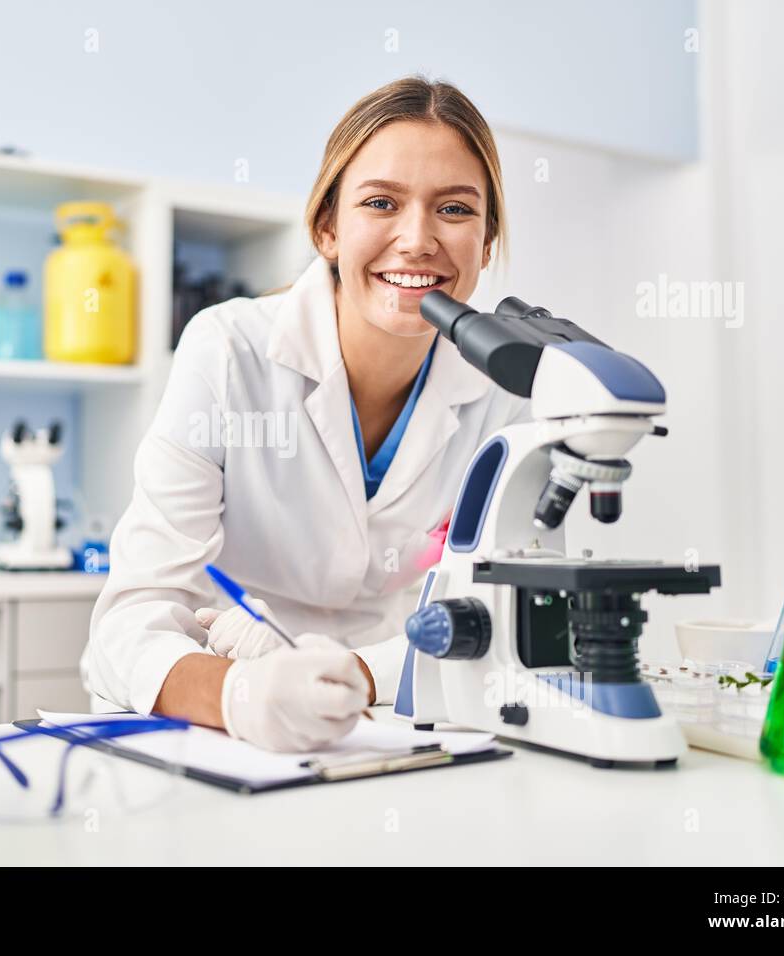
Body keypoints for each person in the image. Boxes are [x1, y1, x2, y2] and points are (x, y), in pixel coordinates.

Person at [81, 75, 529, 751]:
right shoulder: (229, 350)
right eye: (381, 202)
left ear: (486, 242)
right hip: (209, 721)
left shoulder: (501, 392)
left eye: (455, 210)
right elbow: (127, 623)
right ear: (327, 227)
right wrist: (239, 695)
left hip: (396, 721)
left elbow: (498, 623)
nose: (417, 239)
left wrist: (357, 675)